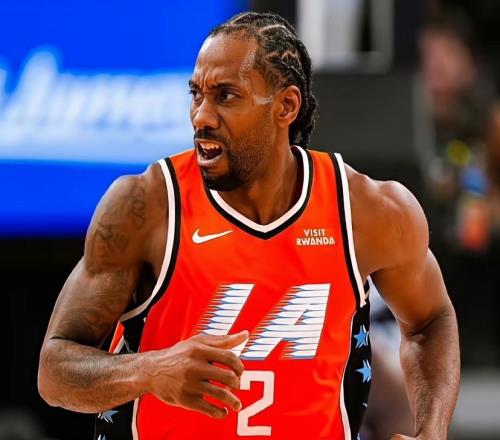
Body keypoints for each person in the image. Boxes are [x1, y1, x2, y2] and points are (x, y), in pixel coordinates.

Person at [38, 12, 460, 440]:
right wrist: (149, 370)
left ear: (286, 106)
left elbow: (431, 320)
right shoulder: (146, 206)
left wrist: (431, 430)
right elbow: (54, 372)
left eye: (225, 96)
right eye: (196, 94)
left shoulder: (367, 210)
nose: (201, 116)